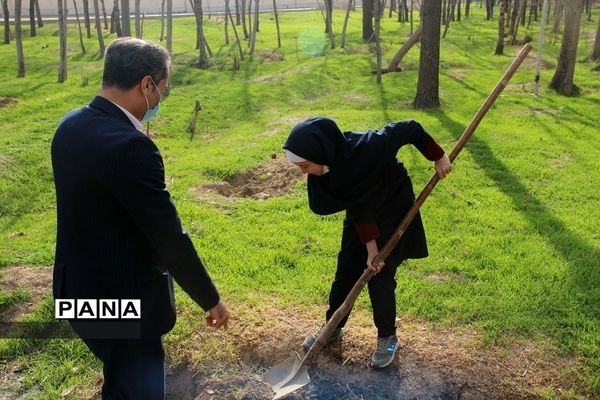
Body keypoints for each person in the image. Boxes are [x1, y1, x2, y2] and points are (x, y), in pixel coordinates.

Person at [51, 37, 229, 399]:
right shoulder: (130, 147)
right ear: (147, 85)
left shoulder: (70, 126)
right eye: (164, 89)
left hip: (76, 291)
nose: (161, 99)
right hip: (122, 305)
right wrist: (210, 298)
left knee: (120, 377)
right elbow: (168, 237)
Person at [283, 117, 451, 369]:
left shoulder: (372, 146)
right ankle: (332, 328)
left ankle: (387, 336)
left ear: (320, 152)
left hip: (392, 206)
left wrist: (438, 156)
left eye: (305, 166)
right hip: (362, 210)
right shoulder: (331, 168)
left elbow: (410, 128)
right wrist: (370, 246)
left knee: (380, 276)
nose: (303, 173)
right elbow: (357, 200)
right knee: (346, 270)